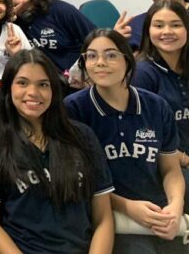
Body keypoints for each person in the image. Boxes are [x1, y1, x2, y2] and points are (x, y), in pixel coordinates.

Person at [0, 50, 115, 254]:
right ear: (8, 88)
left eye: (43, 84)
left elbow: (103, 219)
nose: (33, 92)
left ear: (54, 90)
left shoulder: (82, 136)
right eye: (22, 83)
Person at [66, 29, 186, 253]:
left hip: (159, 211)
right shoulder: (74, 110)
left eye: (111, 55)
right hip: (112, 218)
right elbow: (81, 183)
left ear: (128, 61)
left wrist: (176, 204)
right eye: (91, 56)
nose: (100, 62)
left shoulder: (156, 106)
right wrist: (127, 207)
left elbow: (170, 169)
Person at [132, 0, 189, 197]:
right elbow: (143, 136)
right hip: (164, 163)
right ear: (148, 30)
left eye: (176, 25)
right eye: (158, 25)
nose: (167, 31)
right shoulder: (143, 73)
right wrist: (185, 160)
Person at [0, 0, 96, 77]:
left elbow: (96, 40)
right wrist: (6, 19)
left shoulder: (61, 10)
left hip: (74, 80)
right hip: (38, 79)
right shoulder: (7, 23)